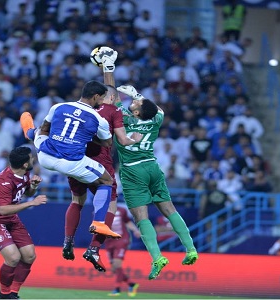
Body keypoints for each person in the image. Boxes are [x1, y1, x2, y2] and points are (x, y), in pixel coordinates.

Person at [102, 49, 199, 280]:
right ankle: (191, 249)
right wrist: (137, 94)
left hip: (132, 171)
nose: (135, 101)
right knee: (169, 209)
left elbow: (111, 97)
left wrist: (108, 68)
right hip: (152, 167)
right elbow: (156, 109)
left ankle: (157, 258)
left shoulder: (123, 117)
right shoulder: (155, 119)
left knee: (141, 217)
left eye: (137, 102)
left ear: (135, 111)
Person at [20, 79, 141, 240]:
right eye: (102, 98)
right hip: (71, 162)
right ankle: (99, 222)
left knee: (40, 134)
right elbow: (107, 143)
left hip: (45, 157)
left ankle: (29, 132)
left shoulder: (58, 107)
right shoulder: (98, 119)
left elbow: (46, 128)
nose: (102, 102)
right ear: (96, 97)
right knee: (107, 181)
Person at [62, 50, 143, 272]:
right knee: (111, 206)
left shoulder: (77, 108)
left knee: (76, 201)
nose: (116, 98)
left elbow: (110, 93)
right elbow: (122, 136)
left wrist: (108, 68)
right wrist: (134, 139)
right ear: (106, 97)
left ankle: (68, 240)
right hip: (101, 164)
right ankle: (94, 248)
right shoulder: (112, 110)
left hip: (76, 160)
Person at [0, 146, 48, 299]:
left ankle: (13, 293)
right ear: (24, 164)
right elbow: (3, 209)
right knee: (13, 257)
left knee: (29, 256)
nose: (33, 159)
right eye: (31, 158)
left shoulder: (24, 173)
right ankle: (3, 294)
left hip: (10, 218)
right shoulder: (3, 181)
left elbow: (27, 192)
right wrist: (31, 203)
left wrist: (33, 186)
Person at [105, 203, 141, 297]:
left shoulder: (121, 210)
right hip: (108, 241)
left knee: (117, 264)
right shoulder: (100, 210)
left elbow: (127, 222)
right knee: (114, 268)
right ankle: (131, 284)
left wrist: (135, 230)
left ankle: (117, 289)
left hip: (121, 239)